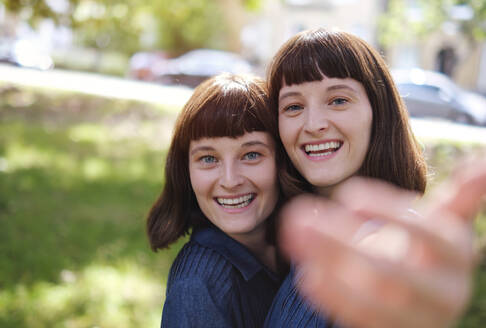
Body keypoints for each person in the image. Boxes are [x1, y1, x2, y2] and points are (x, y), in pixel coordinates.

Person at [263, 27, 486, 328]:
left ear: (377, 112)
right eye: (293, 106)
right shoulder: (303, 231)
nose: (313, 124)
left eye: (338, 100)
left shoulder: (390, 247)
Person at [146, 73, 293, 328]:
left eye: (251, 154)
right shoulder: (198, 285)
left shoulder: (299, 247)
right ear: (185, 171)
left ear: (282, 160)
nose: (229, 180)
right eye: (208, 159)